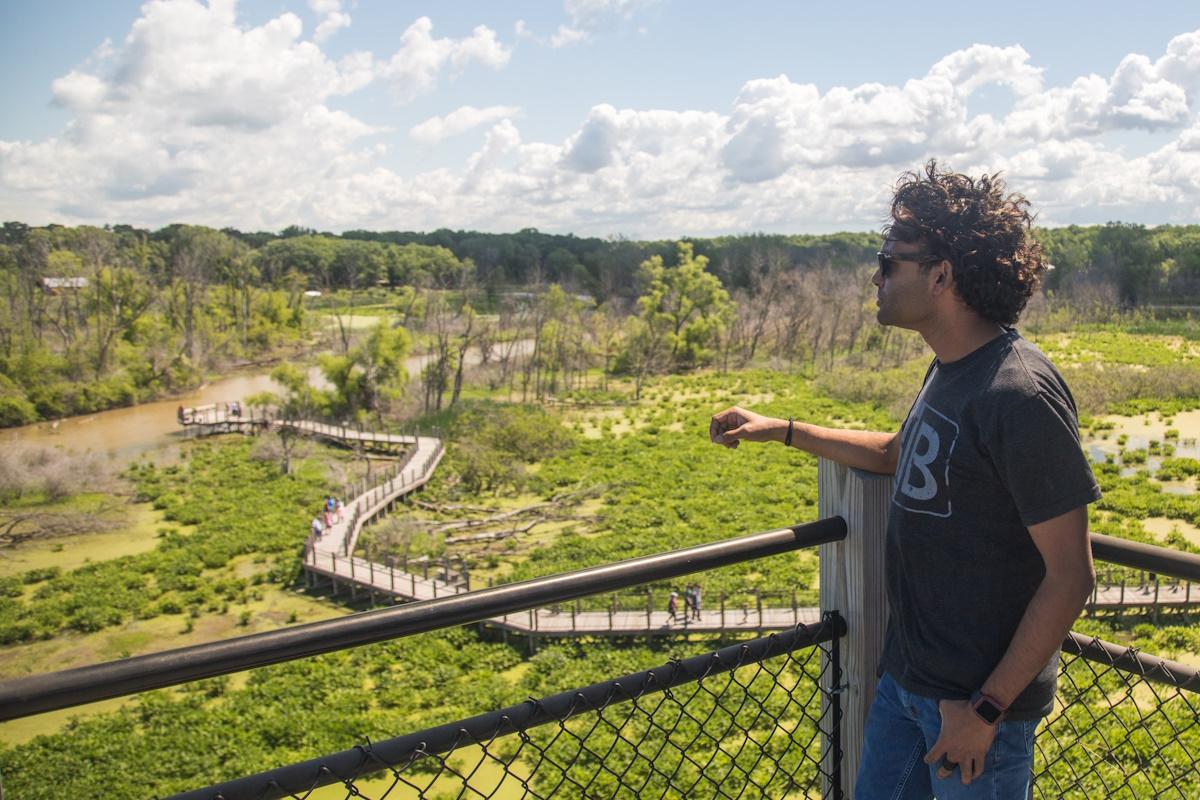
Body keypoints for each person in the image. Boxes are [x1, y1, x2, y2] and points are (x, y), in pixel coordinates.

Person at [710, 161, 1100, 799]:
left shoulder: (1020, 394)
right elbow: (901, 453)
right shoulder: (951, 369)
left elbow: (1072, 576)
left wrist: (986, 712)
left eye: (889, 261)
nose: (877, 275)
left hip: (976, 715)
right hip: (907, 685)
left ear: (941, 274)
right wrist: (783, 429)